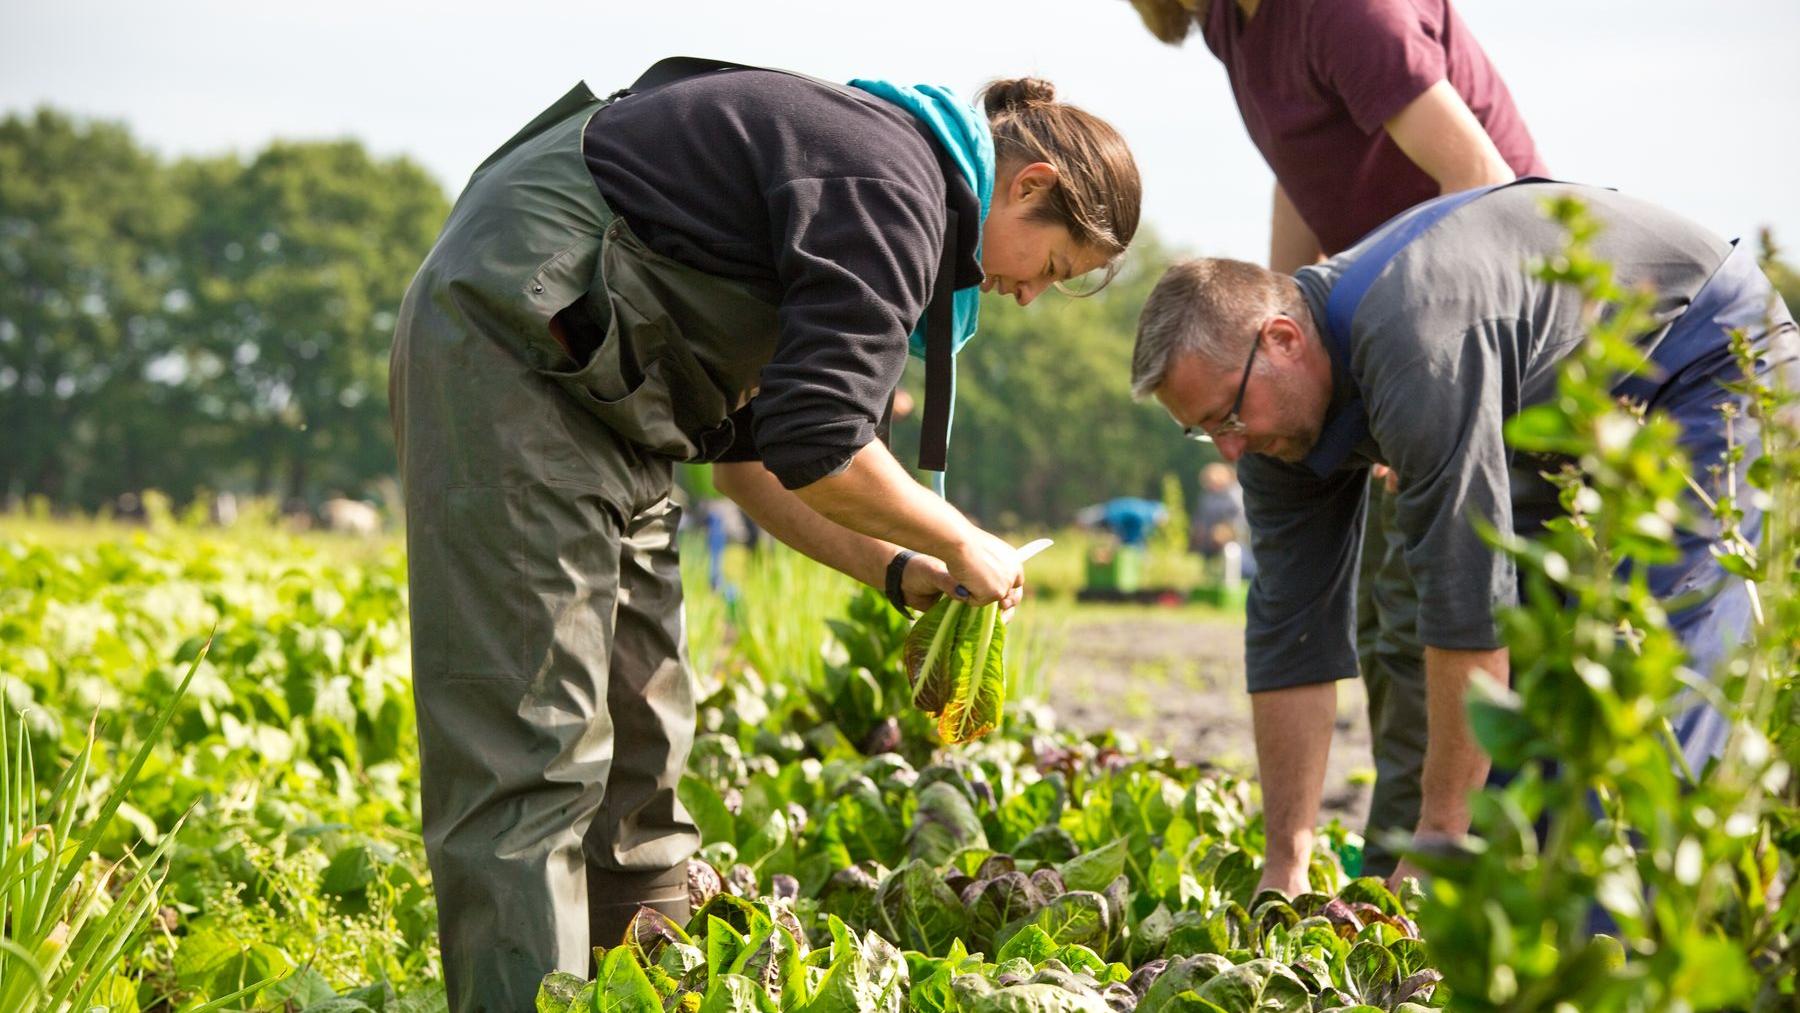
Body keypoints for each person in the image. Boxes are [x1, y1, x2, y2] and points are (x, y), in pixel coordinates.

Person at [389, 58, 1140, 1011]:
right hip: (515, 351)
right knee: (533, 743)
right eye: (1056, 269)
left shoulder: (884, 192)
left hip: (611, 397)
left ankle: (637, 988)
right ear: (1030, 187)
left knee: (642, 729)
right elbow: (821, 440)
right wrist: (959, 537)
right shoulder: (889, 187)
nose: (1030, 296)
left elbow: (753, 463)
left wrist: (900, 567)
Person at [1129, 180, 1798, 896]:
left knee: (1656, 698)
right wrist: (1284, 864)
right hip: (1565, 424)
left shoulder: (1416, 343)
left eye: (1227, 417)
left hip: (1707, 359)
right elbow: (1290, 635)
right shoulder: (1271, 431)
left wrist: (1439, 836)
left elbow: (1466, 599)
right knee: (1518, 757)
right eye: (1206, 431)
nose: (1229, 451)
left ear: (1283, 340)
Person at [1117, 0, 1547, 880]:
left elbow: (1486, 187)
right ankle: (1395, 885)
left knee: (1451, 601)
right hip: (1359, 354)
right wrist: (1282, 330)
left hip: (1478, 341)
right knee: (1387, 625)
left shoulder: (1344, 10)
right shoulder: (1234, 31)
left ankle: (1456, 859)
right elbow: (1300, 176)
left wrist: (1426, 367)